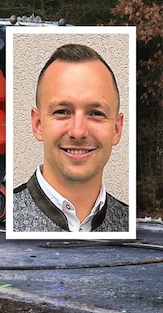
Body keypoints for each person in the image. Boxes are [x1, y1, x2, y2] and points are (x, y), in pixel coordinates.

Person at [12, 43, 128, 232]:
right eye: (62, 111)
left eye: (96, 113)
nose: (78, 132)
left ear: (116, 129)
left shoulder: (131, 223)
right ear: (38, 125)